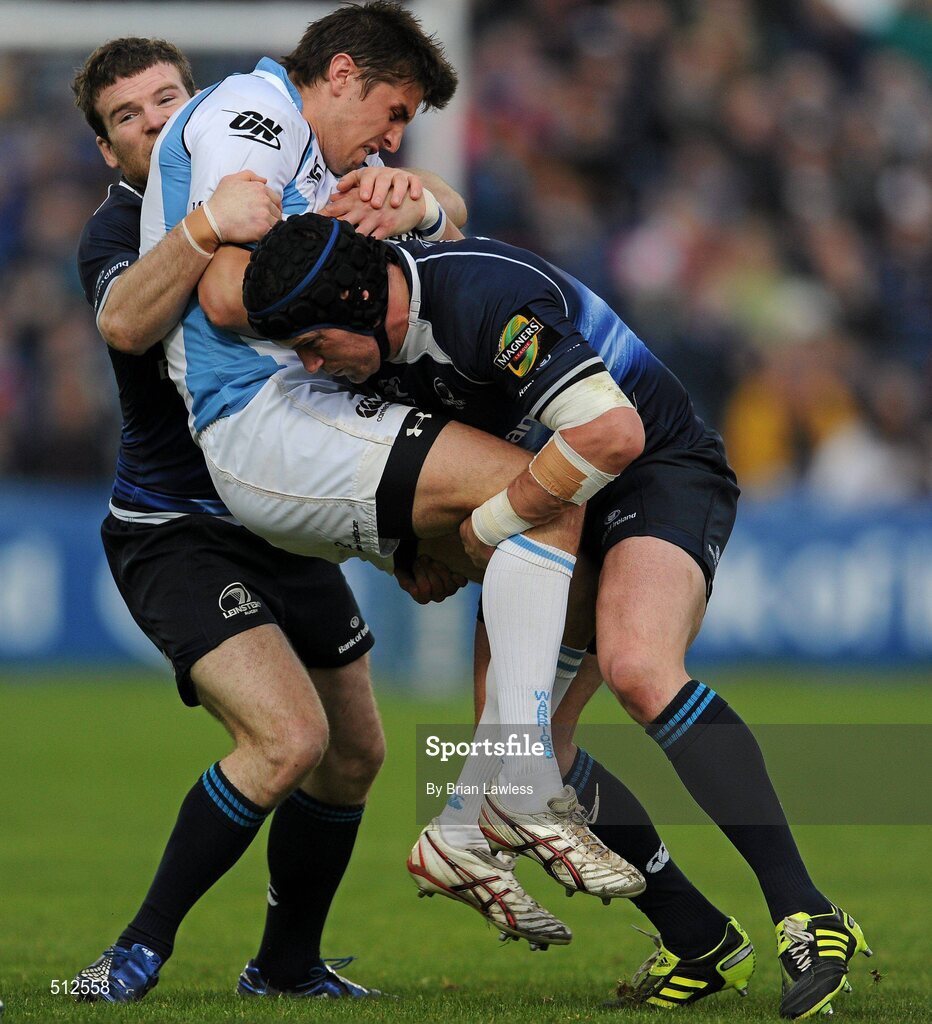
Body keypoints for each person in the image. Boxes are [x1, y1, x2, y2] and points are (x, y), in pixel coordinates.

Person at [242, 213, 873, 1021]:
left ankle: (808, 915)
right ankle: (696, 936)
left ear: (366, 298)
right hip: (547, 505)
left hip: (654, 470)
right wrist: (415, 553)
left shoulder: (482, 303)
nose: (308, 364)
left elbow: (612, 434)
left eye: (312, 341)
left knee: (639, 667)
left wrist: (479, 531)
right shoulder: (360, 349)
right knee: (519, 753)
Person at [135, 0, 644, 961]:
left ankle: (471, 818)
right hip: (262, 422)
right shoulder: (259, 115)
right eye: (394, 109)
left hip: (307, 415)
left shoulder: (321, 156)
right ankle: (516, 781)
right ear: (338, 75)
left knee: (539, 528)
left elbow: (442, 212)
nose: (396, 133)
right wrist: (343, 240)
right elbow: (223, 291)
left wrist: (419, 200)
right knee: (548, 493)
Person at [68, 30, 470, 1003]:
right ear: (109, 149)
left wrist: (422, 200)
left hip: (275, 513)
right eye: (128, 114)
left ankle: (284, 965)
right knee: (286, 741)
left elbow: (441, 206)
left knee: (357, 754)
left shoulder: (262, 165)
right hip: (178, 525)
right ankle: (133, 950)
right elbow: (124, 322)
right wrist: (205, 227)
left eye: (167, 96)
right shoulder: (123, 234)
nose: (155, 117)